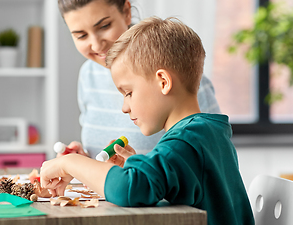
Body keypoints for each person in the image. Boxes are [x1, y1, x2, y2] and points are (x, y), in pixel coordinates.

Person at [41, 17, 254, 225]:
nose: (124, 107)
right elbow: (168, 181)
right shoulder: (208, 132)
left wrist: (69, 163)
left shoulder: (184, 142)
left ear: (163, 82)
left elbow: (129, 189)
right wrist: (140, 166)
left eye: (128, 92)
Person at [58, 0, 221, 158]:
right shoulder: (87, 76)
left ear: (126, 11)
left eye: (104, 26)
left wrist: (136, 174)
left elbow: (214, 158)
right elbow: (105, 163)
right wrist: (84, 161)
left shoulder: (174, 70)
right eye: (81, 35)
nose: (97, 45)